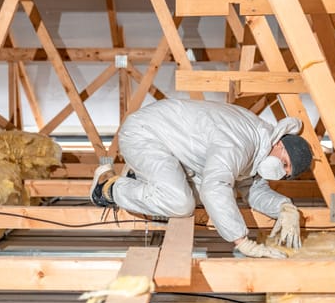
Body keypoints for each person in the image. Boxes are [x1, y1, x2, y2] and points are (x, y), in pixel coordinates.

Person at [90, 99, 313, 258]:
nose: (281, 172)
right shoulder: (241, 142)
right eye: (284, 163)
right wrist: (242, 242)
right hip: (146, 134)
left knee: (201, 196)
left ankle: (139, 177)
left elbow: (253, 190)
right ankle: (108, 187)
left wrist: (285, 207)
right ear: (280, 144)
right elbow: (215, 187)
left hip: (169, 147)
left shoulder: (259, 144)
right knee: (181, 203)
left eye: (286, 173)